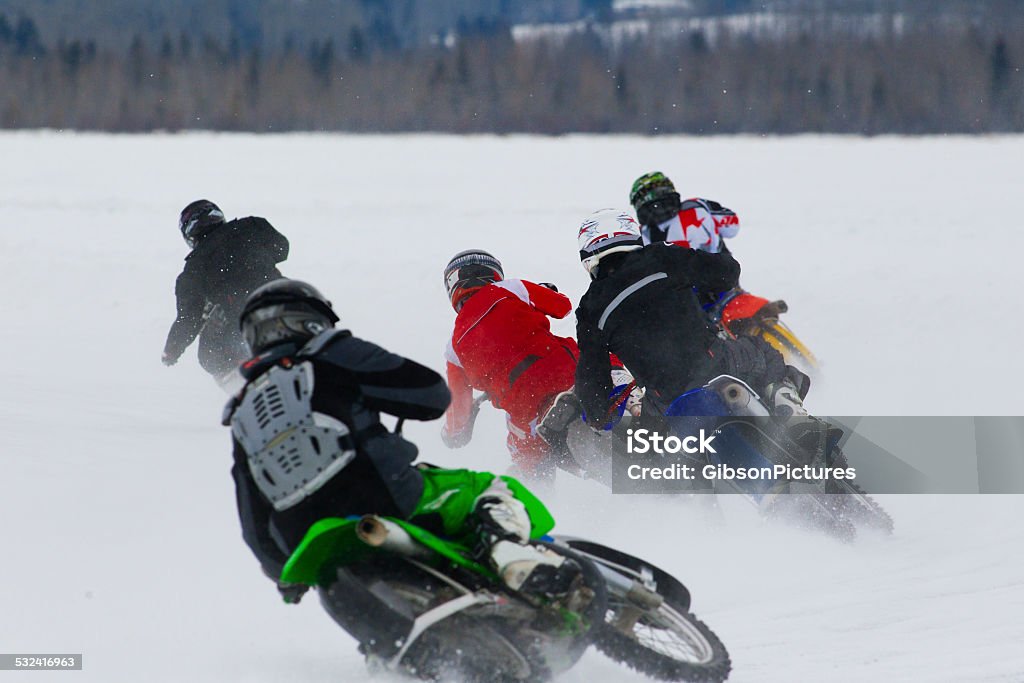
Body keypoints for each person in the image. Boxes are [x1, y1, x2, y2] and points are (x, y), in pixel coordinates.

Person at [223, 279, 579, 604]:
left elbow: (249, 511)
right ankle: (517, 562)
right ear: (309, 319)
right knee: (493, 489)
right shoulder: (331, 351)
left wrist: (279, 570)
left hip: (301, 537)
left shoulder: (240, 412)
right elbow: (430, 396)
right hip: (384, 496)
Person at [573, 209, 816, 436]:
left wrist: (598, 414)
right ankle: (792, 416)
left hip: (665, 401)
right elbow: (727, 272)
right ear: (631, 235)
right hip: (717, 364)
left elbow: (590, 377)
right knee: (763, 352)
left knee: (648, 453)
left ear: (588, 255)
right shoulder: (661, 256)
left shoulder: (590, 308)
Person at [441, 250, 579, 479]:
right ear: (495, 274)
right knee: (601, 359)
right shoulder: (511, 288)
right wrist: (545, 292)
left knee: (525, 455)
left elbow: (458, 411)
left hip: (524, 406)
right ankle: (632, 403)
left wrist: (451, 433)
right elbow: (562, 307)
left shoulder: (453, 348)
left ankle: (541, 498)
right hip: (565, 372)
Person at [629, 172, 789, 342]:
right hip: (722, 280)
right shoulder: (698, 207)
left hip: (687, 300)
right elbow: (732, 226)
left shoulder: (641, 236)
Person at [161, 200, 289, 387]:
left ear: (189, 233)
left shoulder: (193, 270)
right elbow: (282, 249)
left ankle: (245, 389)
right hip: (286, 299)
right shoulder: (253, 226)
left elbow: (189, 319)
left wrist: (171, 351)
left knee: (208, 355)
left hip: (244, 321)